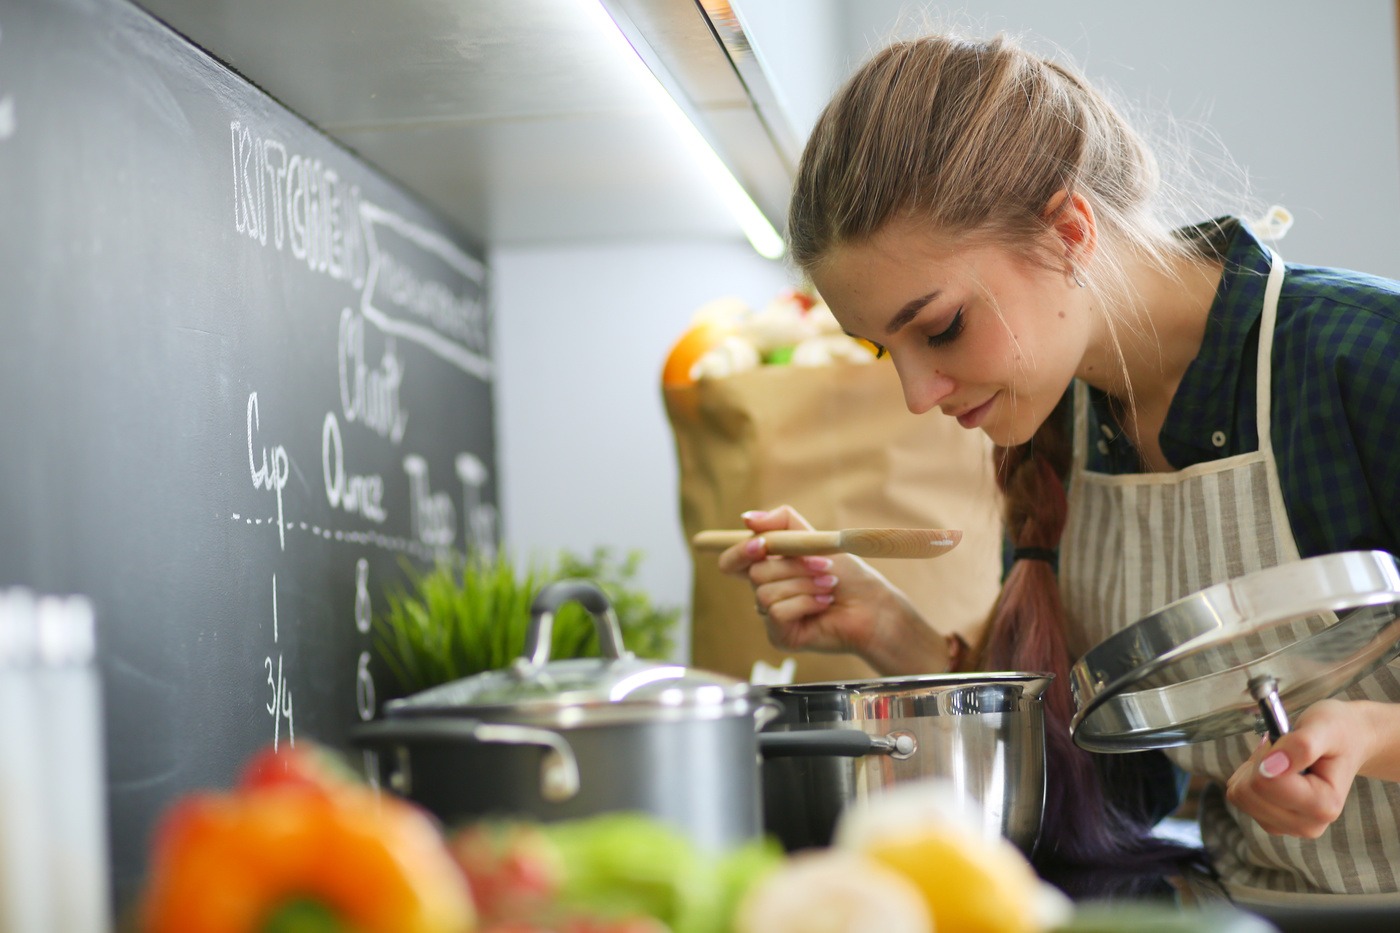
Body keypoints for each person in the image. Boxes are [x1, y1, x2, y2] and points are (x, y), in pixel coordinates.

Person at [717, 33, 1400, 903]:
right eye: (882, 348)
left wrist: (1372, 733)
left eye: (942, 326)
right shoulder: (1058, 428)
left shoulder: (1361, 355)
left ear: (1069, 232)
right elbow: (1115, 787)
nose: (918, 394)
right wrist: (889, 632)